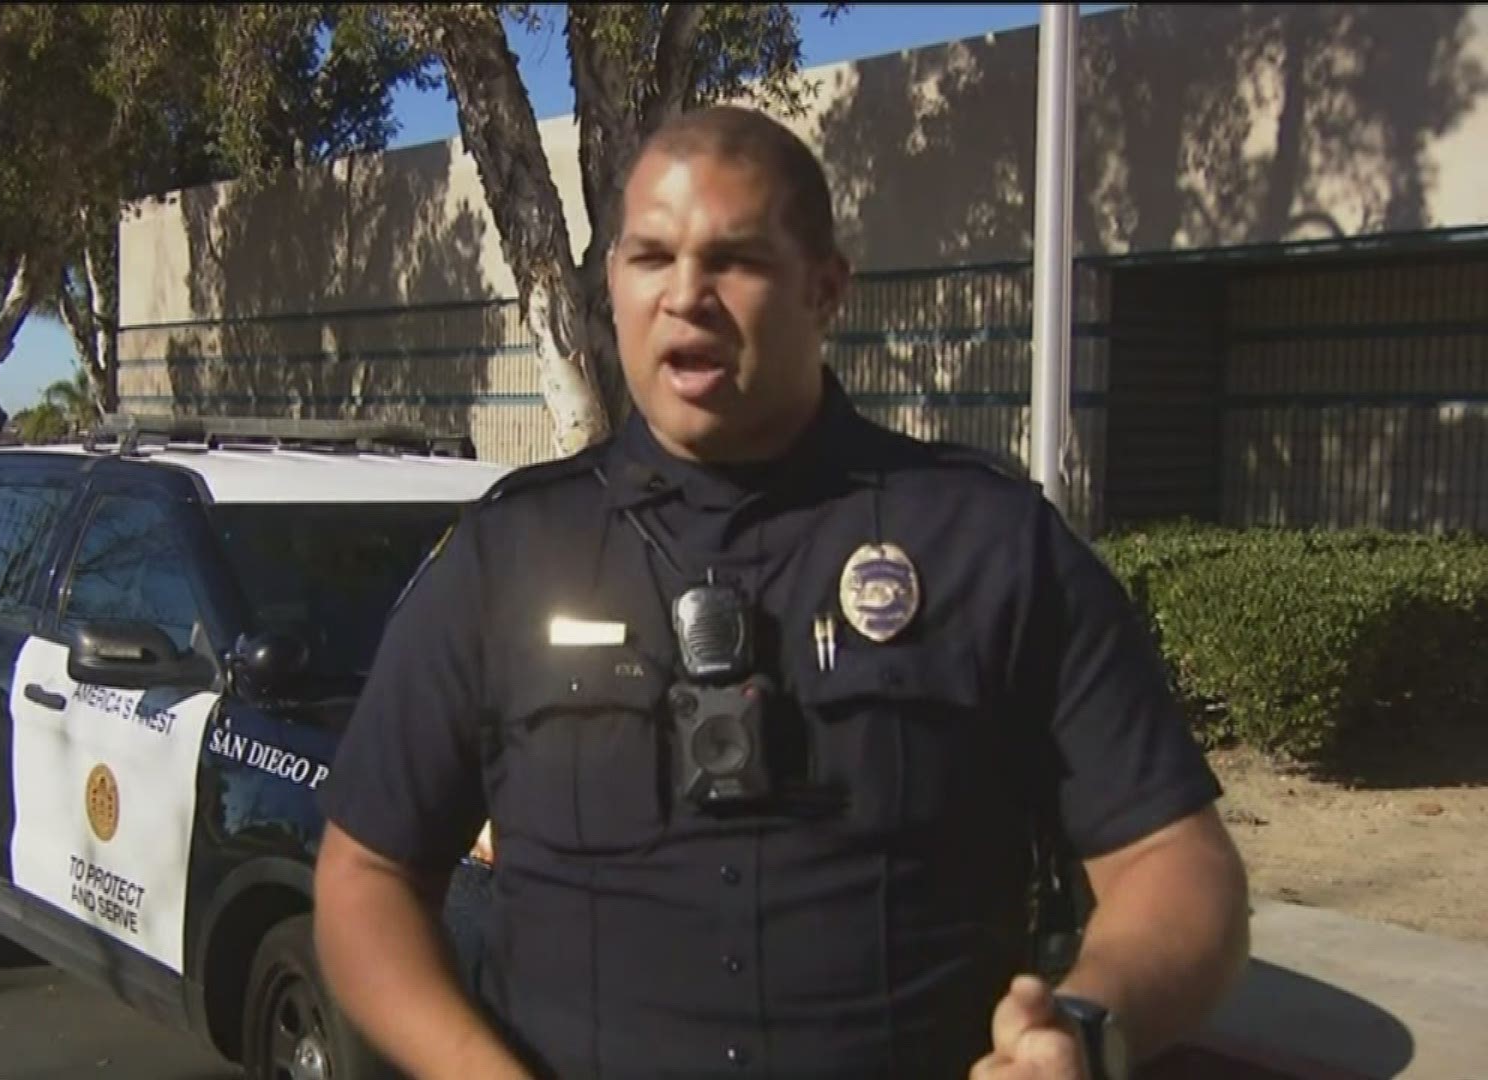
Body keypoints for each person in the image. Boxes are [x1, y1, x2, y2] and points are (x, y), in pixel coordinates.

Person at [313, 105, 1250, 1079]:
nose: (686, 296)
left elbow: (1178, 868)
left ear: (825, 288)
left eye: (737, 259)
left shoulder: (992, 546)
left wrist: (1090, 1027)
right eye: (650, 258)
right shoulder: (507, 553)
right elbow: (364, 876)